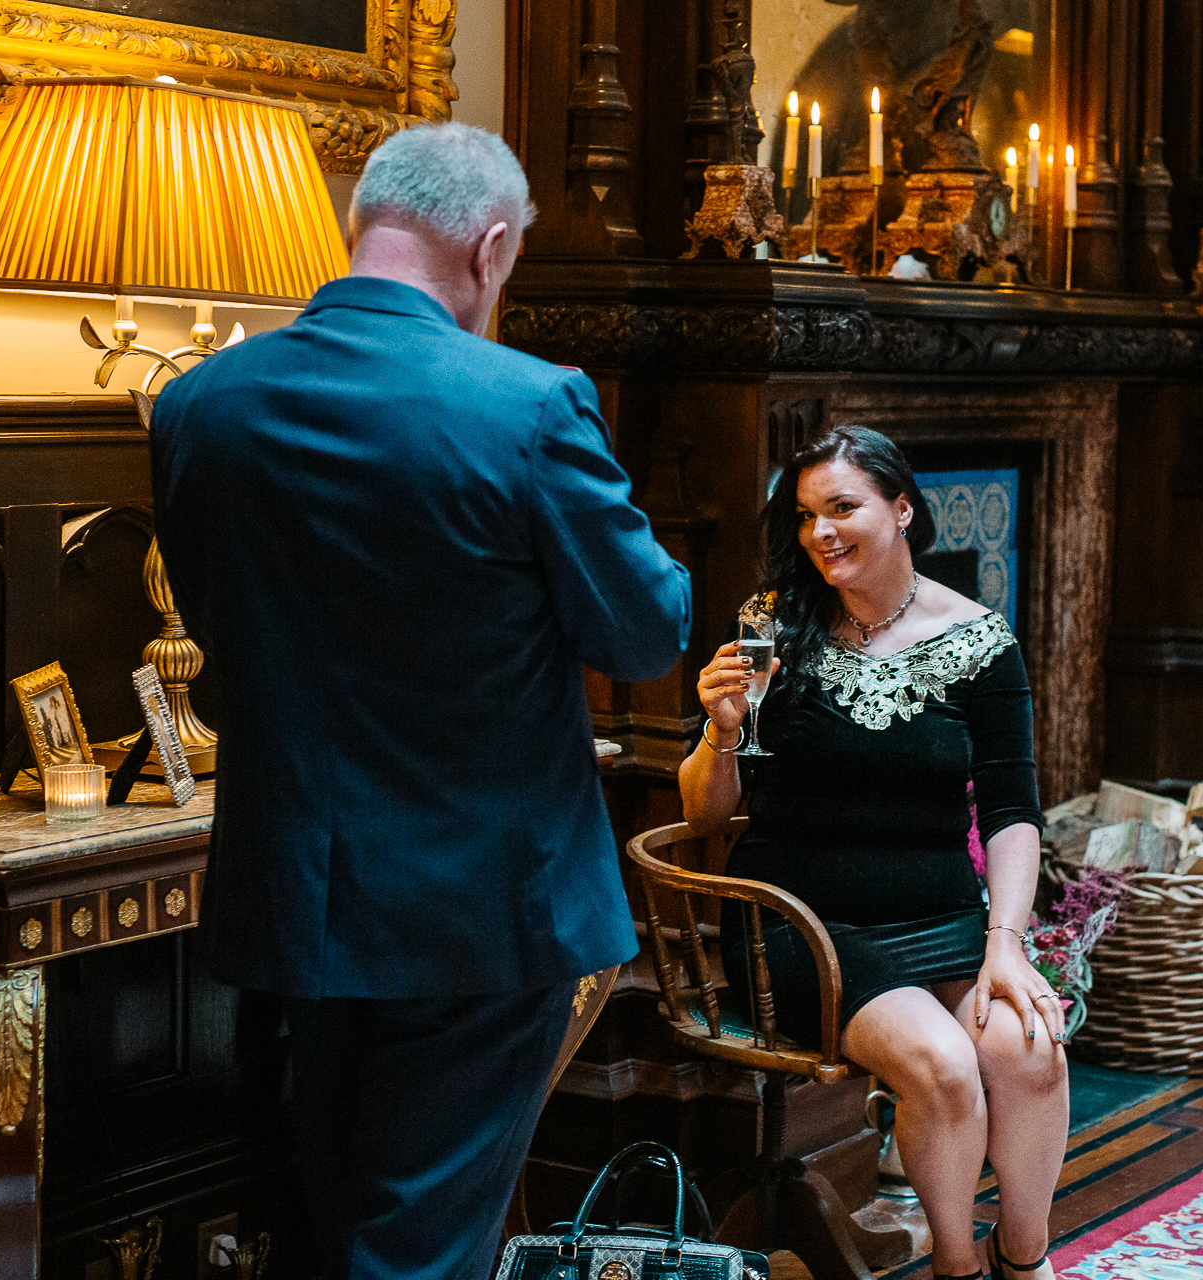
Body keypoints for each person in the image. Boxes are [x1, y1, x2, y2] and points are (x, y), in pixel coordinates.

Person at [150, 123, 692, 1280]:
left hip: (290, 891)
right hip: (480, 909)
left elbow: (208, 623)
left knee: (314, 1223)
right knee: (423, 1245)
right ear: (491, 247)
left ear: (364, 227)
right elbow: (643, 631)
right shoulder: (528, 406)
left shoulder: (201, 405)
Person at [678, 426, 1063, 1280]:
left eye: (842, 507)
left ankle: (1025, 1260)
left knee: (1031, 1051)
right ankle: (956, 1268)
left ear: (902, 509)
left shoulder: (980, 641)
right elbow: (706, 815)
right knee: (945, 1065)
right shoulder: (773, 626)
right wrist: (722, 731)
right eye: (808, 514)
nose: (821, 532)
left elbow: (1010, 812)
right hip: (803, 922)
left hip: (939, 913)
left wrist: (1006, 941)